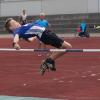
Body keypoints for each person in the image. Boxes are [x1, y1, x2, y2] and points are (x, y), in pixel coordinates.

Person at [5, 18, 72, 75]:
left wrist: (34, 37)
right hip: (46, 35)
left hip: (46, 34)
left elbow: (30, 40)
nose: (16, 23)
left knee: (62, 48)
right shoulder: (17, 31)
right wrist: (15, 43)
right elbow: (16, 37)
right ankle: (48, 61)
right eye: (14, 23)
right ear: (11, 28)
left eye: (15, 21)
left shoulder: (22, 29)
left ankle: (48, 61)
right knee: (68, 47)